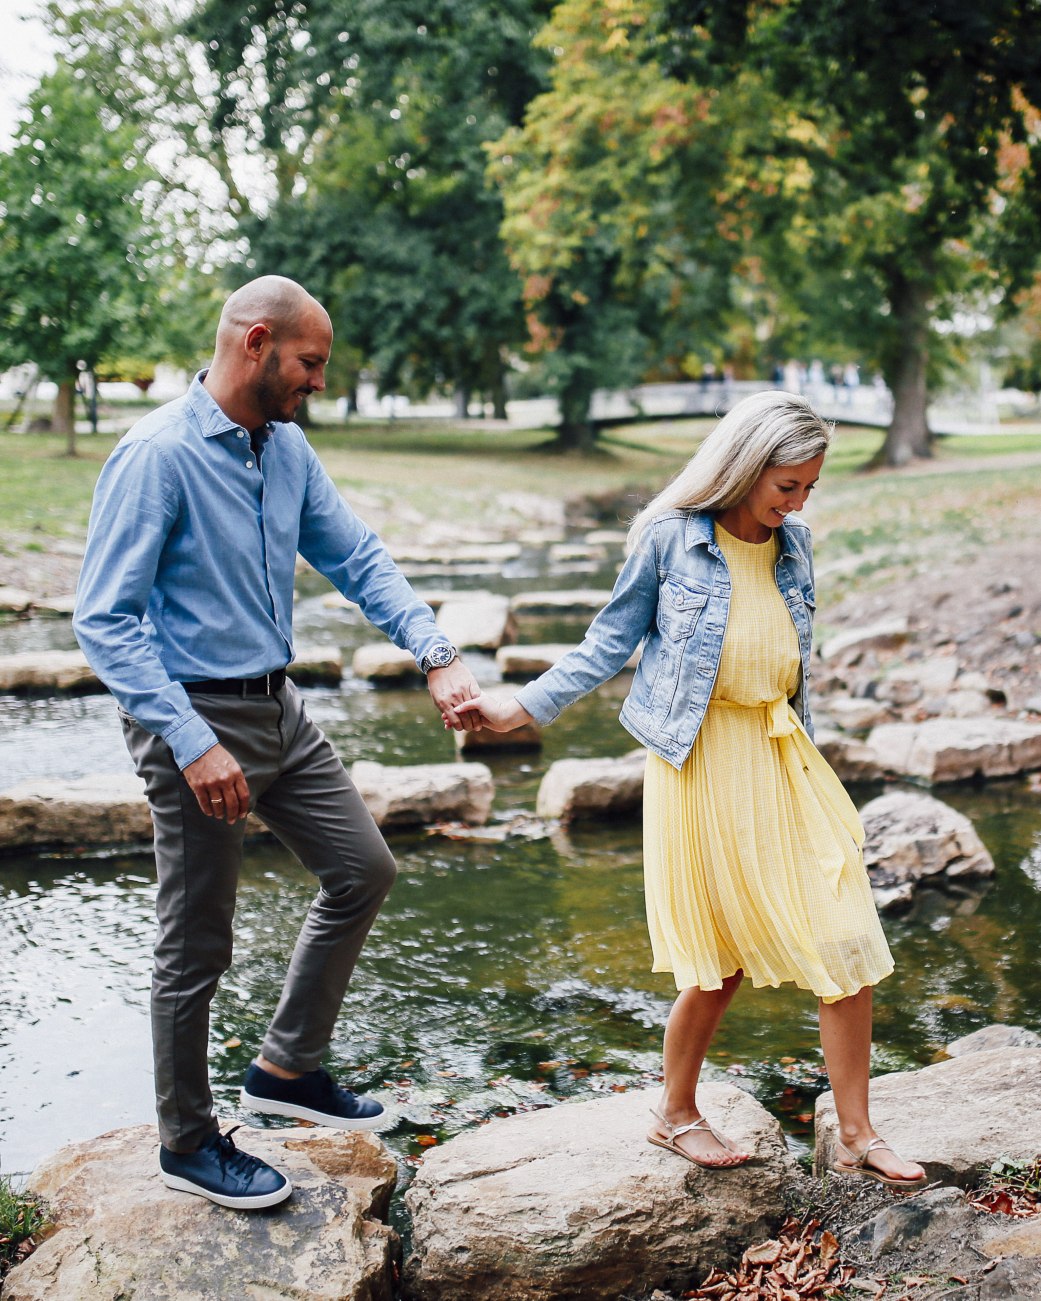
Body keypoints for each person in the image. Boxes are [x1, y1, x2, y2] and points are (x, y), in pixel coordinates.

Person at [73, 275, 480, 1210]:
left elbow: (356, 555)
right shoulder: (157, 455)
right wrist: (189, 741)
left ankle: (287, 1069)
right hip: (191, 719)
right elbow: (106, 620)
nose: (317, 383)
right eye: (309, 363)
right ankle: (186, 1139)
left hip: (279, 707)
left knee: (363, 868)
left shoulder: (285, 450)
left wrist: (434, 649)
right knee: (197, 939)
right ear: (255, 343)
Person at [451, 390, 926, 1188]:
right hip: (697, 762)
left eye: (809, 488)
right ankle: (673, 1113)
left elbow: (792, 659)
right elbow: (608, 642)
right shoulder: (671, 538)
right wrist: (519, 704)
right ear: (743, 468)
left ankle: (855, 1131)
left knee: (846, 938)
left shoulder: (794, 544)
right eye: (786, 487)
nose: (798, 503)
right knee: (716, 962)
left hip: (780, 755)